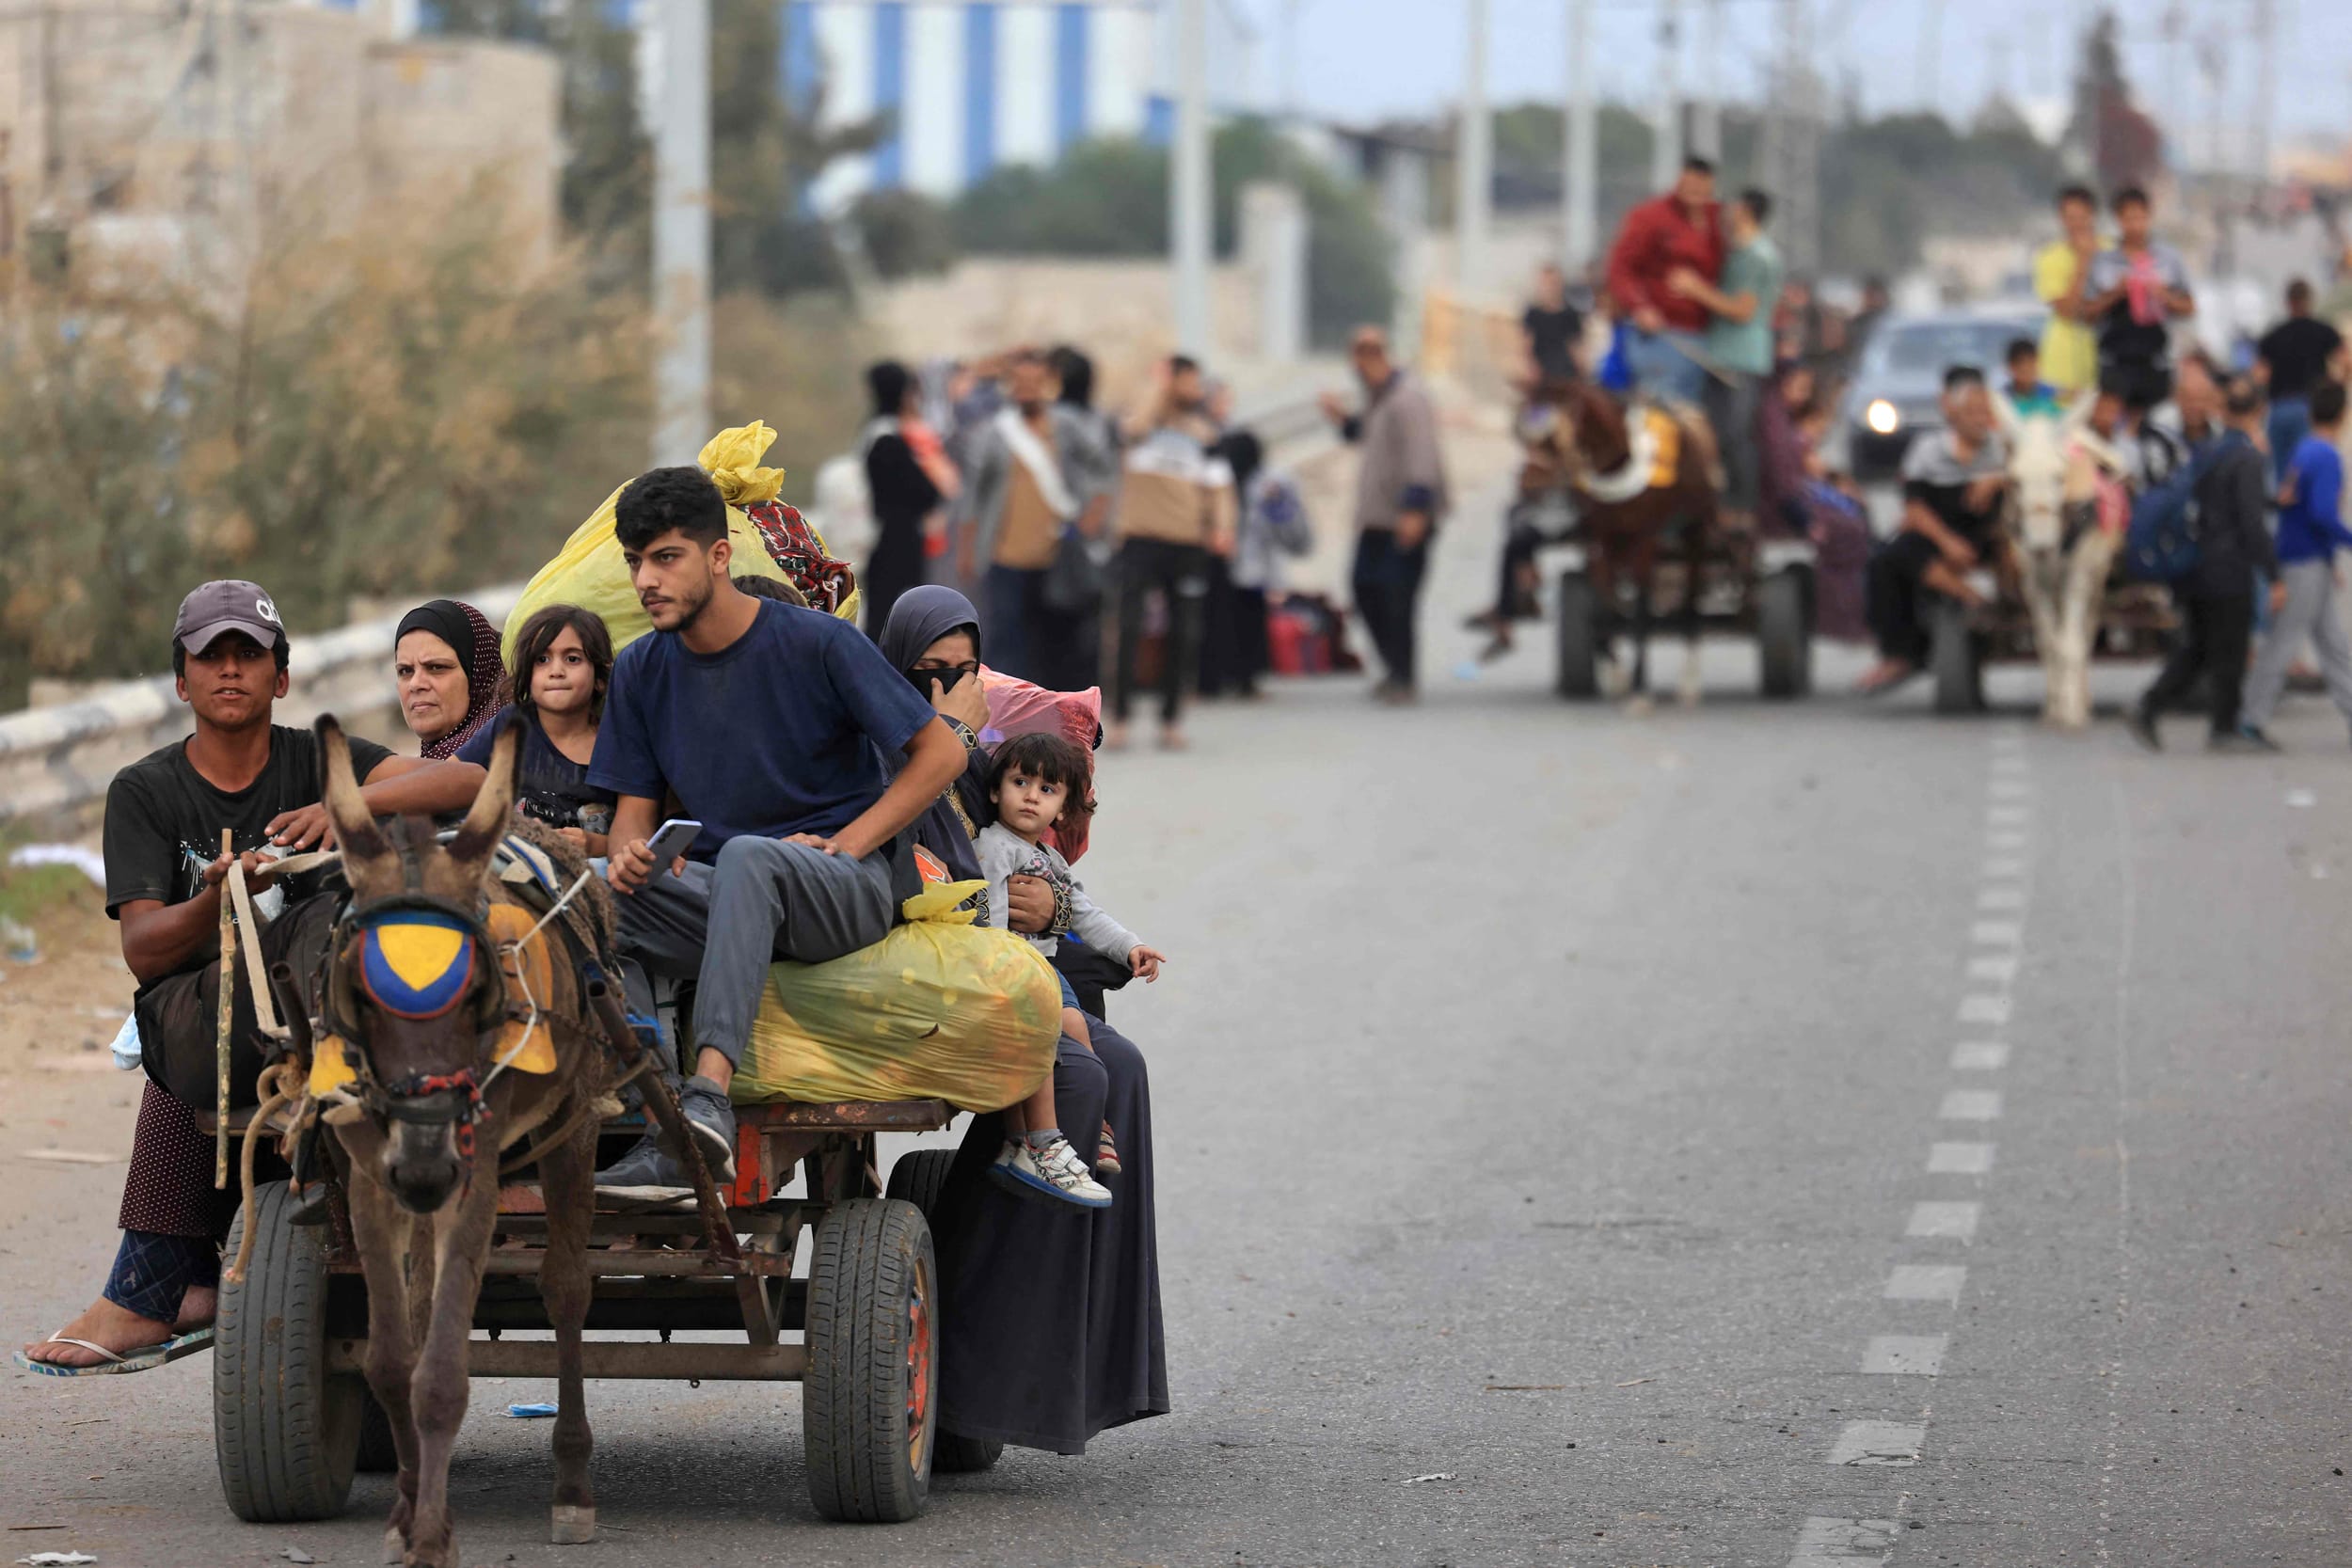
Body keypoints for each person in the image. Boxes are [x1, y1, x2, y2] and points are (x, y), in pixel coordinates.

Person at [23, 581, 485, 1370]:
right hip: (207, 1017)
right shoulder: (145, 789)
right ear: (182, 680)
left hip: (324, 1012)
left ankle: (177, 1280)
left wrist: (348, 807)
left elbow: (469, 784)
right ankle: (149, 1290)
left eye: (249, 655)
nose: (229, 670)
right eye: (210, 657)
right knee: (252, 973)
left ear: (281, 677)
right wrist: (217, 897)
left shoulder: (318, 759)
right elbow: (143, 950)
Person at [584, 466, 968, 1196]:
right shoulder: (638, 669)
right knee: (591, 895)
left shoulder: (819, 643)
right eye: (636, 561)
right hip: (723, 895)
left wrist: (851, 842)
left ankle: (708, 1099)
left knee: (749, 860)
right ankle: (655, 1115)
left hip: (842, 889)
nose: (647, 579)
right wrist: (630, 851)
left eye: (666, 557)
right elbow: (633, 807)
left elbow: (941, 753)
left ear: (718, 556)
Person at [875, 586, 1169, 1459]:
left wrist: (1065, 930)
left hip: (1002, 962)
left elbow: (1025, 873)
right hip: (918, 966)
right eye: (926, 673)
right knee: (1076, 1075)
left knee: (1124, 1068)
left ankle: (1080, 1374)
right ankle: (973, 1378)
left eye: (962, 673)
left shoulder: (976, 763)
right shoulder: (881, 737)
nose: (945, 689)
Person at [976, 734, 1165, 1205]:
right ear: (996, 791)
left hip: (1037, 966)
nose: (1031, 796)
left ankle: (1035, 1139)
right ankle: (1047, 1137)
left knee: (1077, 1030)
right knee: (1066, 1029)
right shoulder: (994, 847)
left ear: (1062, 810)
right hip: (1012, 964)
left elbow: (1085, 913)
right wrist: (1004, 968)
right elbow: (990, 913)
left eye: (1047, 789)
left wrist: (1130, 947)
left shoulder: (1049, 858)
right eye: (1020, 782)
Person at [2128, 362, 2276, 752]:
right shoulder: (2245, 457)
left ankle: (2148, 706)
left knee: (2198, 648)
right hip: (2228, 569)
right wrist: (2274, 575)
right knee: (2228, 651)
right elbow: (2251, 523)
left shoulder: (2210, 451)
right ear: (2259, 412)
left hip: (2196, 563)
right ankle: (2224, 729)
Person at [956, 349, 1115, 690]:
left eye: (1035, 382)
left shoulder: (1067, 426)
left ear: (1049, 384)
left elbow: (1104, 468)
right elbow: (971, 496)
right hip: (1005, 555)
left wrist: (1093, 517)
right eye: (1020, 382)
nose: (1027, 390)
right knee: (1008, 642)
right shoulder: (993, 433)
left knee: (1060, 643)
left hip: (1058, 554)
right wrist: (968, 549)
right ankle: (1008, 724)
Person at [1108, 354, 1235, 750]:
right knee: (1127, 628)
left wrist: (1223, 528)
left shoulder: (1205, 433)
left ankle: (1170, 719)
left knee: (1183, 632)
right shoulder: (1141, 421)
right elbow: (1131, 432)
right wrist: (1160, 391)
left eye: (1197, 383)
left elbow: (1220, 486)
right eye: (1189, 382)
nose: (1196, 391)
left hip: (1186, 544)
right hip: (1140, 540)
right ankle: (1120, 718)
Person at [1858, 366, 2010, 694]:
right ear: (1953, 413)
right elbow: (1914, 507)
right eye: (1972, 412)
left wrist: (1996, 479)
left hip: (1991, 535)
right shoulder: (1928, 449)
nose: (1980, 419)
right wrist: (1948, 541)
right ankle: (1904, 649)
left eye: (1986, 412)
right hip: (1941, 535)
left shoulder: (2002, 449)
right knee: (1886, 559)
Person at [1320, 326, 1448, 703]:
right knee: (1364, 589)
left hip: (1406, 515)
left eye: (1365, 354)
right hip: (1376, 518)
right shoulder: (1379, 397)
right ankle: (1393, 667)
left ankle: (1404, 677)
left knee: (1397, 596)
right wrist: (1341, 420)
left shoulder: (1409, 398)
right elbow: (1367, 434)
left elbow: (1422, 455)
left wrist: (1415, 510)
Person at [2241, 379, 2352, 748]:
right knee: (2284, 642)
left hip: (2304, 557)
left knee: (2334, 645)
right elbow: (2321, 512)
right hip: (2306, 561)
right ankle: (2250, 719)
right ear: (2343, 415)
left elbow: (2295, 506)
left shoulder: (2304, 450)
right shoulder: (2327, 456)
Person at [456, 604, 617, 854]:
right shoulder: (512, 725)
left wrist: (598, 846)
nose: (556, 671)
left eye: (572, 659)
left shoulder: (619, 738)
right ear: (527, 672)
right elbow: (451, 775)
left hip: (595, 874)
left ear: (599, 675)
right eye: (542, 660)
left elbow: (644, 832)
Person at [1671, 185, 1782, 533]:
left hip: (1741, 360)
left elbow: (1742, 310)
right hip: (1718, 358)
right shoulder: (1735, 252)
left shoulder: (1757, 256)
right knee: (1710, 434)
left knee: (1736, 435)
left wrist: (1694, 289)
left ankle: (1742, 508)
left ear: (1746, 210)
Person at [1602, 155, 1723, 405]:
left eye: (1703, 189)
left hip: (1704, 338)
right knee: (1662, 414)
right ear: (1680, 180)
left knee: (1693, 421)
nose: (1696, 193)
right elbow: (1620, 268)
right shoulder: (1651, 217)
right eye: (1691, 186)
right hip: (1662, 336)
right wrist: (1640, 307)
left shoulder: (1717, 219)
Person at [2083, 186, 2194, 412]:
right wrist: (2116, 292)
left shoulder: (2167, 259)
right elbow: (2087, 313)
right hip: (2114, 360)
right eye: (2128, 218)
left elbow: (2188, 307)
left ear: (2149, 217)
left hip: (2155, 359)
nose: (2135, 225)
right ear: (2118, 219)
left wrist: (2162, 294)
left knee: (2156, 421)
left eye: (2140, 217)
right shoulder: (2104, 262)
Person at [858, 359, 946, 639]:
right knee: (894, 617)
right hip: (896, 540)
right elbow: (928, 493)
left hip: (880, 535)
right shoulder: (889, 439)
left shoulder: (869, 433)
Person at [2253, 279, 2348, 484]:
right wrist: (2336, 389)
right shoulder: (2322, 331)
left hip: (2279, 408)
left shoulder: (2275, 334)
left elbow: (2259, 375)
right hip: (2310, 408)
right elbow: (2345, 359)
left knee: (2281, 476)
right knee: (2308, 474)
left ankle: (2285, 515)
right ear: (2309, 300)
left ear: (2288, 302)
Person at [393, 598, 504, 758]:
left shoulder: (503, 758)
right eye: (405, 671)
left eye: (436, 667)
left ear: (479, 675)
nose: (416, 684)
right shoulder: (432, 764)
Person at [2035, 184, 2104, 399]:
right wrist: (2084, 261)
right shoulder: (2049, 257)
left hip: (2104, 355)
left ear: (2092, 216)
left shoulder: (2112, 251)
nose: (2076, 224)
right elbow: (2067, 310)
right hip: (2062, 363)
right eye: (2070, 217)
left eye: (2082, 217)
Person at [1521, 261, 1584, 386]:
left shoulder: (1570, 314)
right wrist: (1531, 369)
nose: (1550, 288)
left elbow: (1575, 346)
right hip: (1542, 374)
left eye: (1553, 283)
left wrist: (1581, 371)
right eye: (1546, 283)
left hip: (1566, 373)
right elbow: (1526, 344)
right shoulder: (1533, 314)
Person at [2002, 338, 2062, 417]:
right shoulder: (2003, 399)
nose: (2028, 370)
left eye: (2031, 365)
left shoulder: (2051, 394)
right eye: (2022, 368)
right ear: (2011, 368)